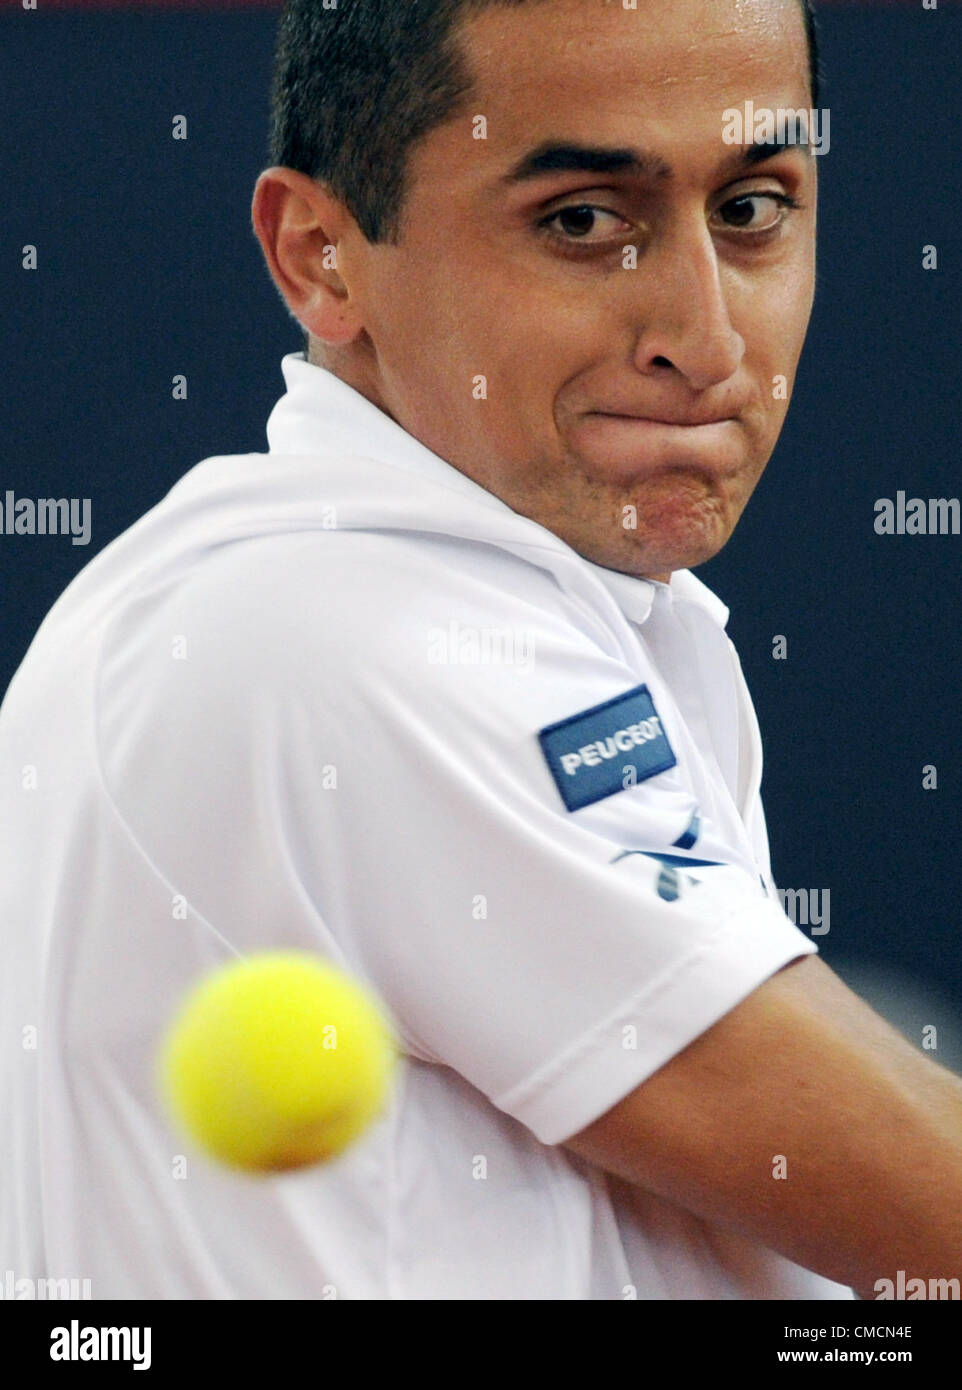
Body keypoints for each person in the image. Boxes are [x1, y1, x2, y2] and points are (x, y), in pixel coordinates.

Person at [1, 0, 960, 1302]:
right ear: (321, 258)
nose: (708, 337)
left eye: (751, 208)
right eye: (580, 220)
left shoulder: (262, 588)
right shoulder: (353, 636)